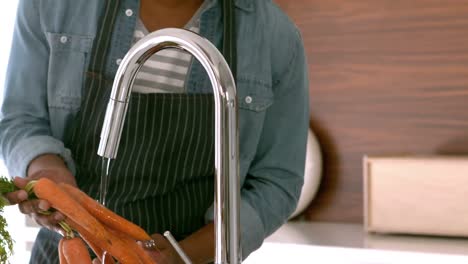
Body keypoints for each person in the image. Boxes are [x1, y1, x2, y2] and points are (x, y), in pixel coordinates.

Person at [0, 0, 309, 263]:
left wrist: (183, 254)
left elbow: (276, 182)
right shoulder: (53, 6)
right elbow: (21, 119)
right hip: (68, 252)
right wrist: (48, 174)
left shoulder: (276, 39)